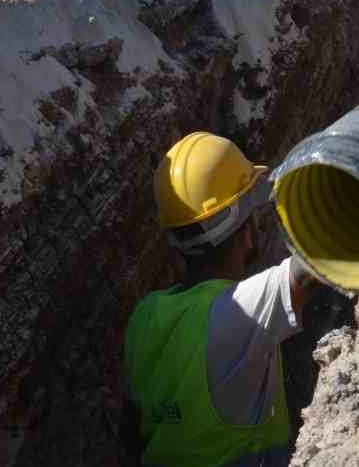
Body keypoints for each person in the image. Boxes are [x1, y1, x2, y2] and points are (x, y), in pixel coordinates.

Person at [123, 132, 319, 467]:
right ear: (246, 228)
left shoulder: (145, 315)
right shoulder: (240, 310)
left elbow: (130, 427)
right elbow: (312, 263)